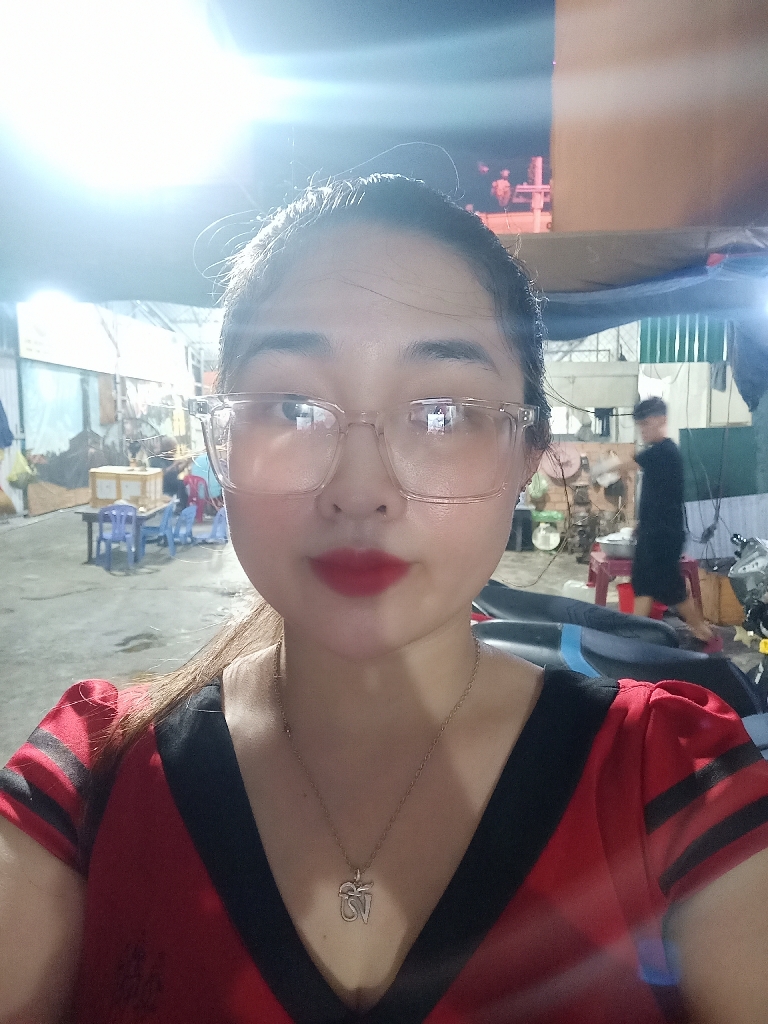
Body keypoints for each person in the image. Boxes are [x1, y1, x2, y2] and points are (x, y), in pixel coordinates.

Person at [1, 176, 768, 1023]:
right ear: (223, 440)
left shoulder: (672, 777)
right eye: (293, 406)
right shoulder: (92, 778)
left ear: (527, 455)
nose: (359, 492)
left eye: (442, 413)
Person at [630, 397, 721, 651]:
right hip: (654, 532)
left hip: (663, 535)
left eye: (646, 424)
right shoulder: (660, 453)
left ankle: (703, 633)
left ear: (662, 420)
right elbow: (655, 497)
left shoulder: (664, 452)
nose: (643, 430)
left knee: (667, 588)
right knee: (647, 584)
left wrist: (603, 467)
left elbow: (630, 463)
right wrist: (641, 523)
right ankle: (635, 636)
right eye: (640, 426)